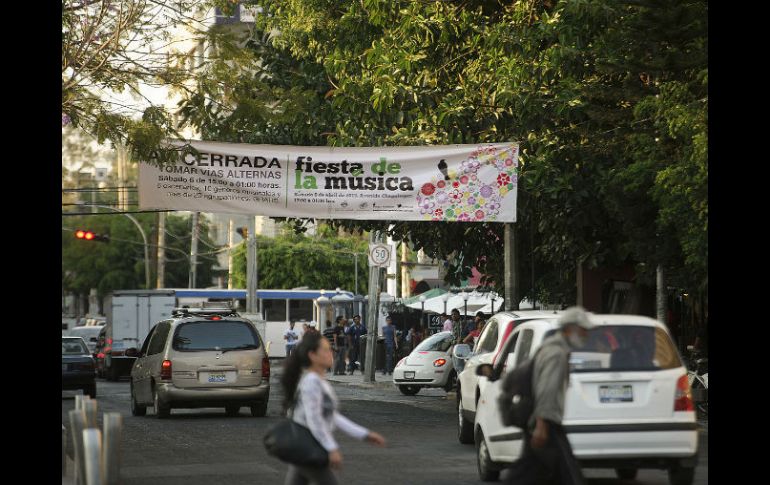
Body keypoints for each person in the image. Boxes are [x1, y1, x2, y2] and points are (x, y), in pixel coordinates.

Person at [502, 306, 592, 485]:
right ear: (569, 329)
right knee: (567, 475)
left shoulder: (553, 349)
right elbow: (547, 389)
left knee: (532, 471)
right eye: (582, 331)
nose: (585, 336)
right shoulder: (556, 353)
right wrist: (542, 424)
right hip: (546, 423)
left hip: (543, 422)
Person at [281, 332, 386, 485]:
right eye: (326, 349)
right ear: (313, 355)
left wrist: (364, 434)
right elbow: (314, 419)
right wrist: (331, 448)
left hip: (304, 448)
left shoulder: (319, 381)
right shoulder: (312, 382)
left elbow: (331, 416)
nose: (331, 352)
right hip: (309, 448)